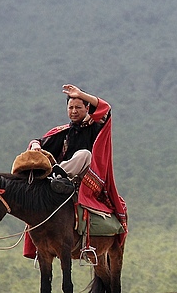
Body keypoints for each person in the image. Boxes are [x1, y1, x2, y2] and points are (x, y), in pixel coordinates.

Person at [26, 84, 127, 251]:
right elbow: (40, 141)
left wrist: (80, 94)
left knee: (84, 154)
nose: (74, 111)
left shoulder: (96, 127)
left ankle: (59, 175)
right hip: (60, 183)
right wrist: (36, 145)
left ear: (87, 108)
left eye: (78, 107)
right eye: (70, 107)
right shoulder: (63, 132)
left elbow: (106, 109)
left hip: (85, 179)